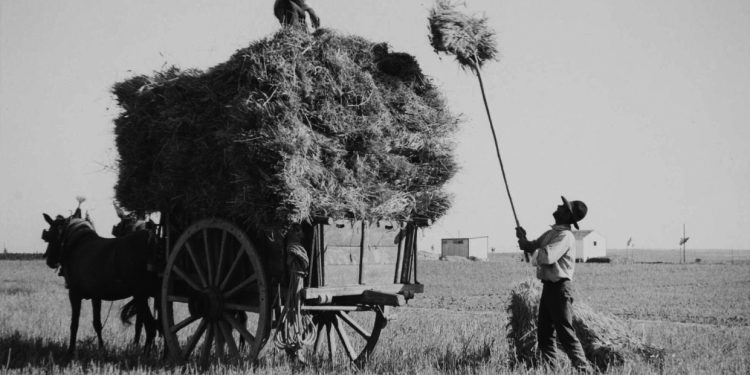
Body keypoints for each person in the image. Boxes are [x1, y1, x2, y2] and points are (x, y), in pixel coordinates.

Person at [515, 196, 592, 372]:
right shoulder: (553, 233)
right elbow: (532, 246)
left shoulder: (565, 236)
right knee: (544, 335)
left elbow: (547, 256)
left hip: (560, 289)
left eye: (563, 207)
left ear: (567, 216)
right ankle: (551, 370)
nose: (558, 206)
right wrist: (523, 239)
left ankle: (584, 370)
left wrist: (531, 248)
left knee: (566, 334)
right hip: (550, 289)